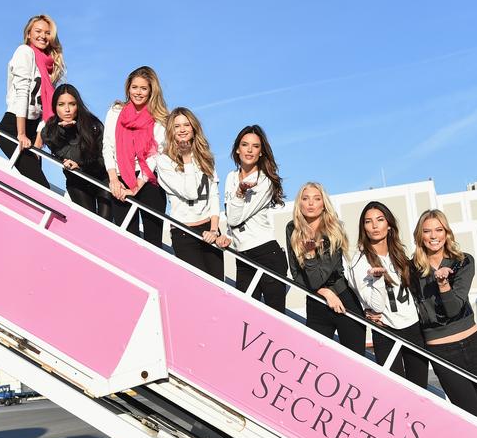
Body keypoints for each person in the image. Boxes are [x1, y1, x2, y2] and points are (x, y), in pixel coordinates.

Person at [412, 209, 477, 421]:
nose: (434, 236)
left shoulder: (463, 261)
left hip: (474, 346)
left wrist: (443, 284)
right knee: (475, 419)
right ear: (420, 236)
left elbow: (454, 308)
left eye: (439, 230)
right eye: (427, 231)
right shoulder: (411, 269)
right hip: (443, 352)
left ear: (447, 233)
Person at [349, 201, 428, 387]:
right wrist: (377, 281)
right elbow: (375, 307)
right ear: (364, 228)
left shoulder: (400, 254)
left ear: (389, 225)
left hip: (414, 328)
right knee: (396, 390)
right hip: (385, 331)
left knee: (419, 389)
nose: (375, 225)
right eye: (368, 221)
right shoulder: (360, 261)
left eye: (380, 219)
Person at [286, 182, 366, 355]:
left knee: (354, 361)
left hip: (344, 300)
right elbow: (295, 274)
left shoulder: (334, 230)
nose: (310, 203)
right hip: (317, 302)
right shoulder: (292, 229)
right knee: (317, 360)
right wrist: (325, 293)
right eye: (305, 199)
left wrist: (309, 255)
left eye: (316, 199)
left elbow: (318, 278)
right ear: (299, 203)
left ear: (324, 204)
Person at [219, 125, 287, 313]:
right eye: (245, 144)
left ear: (261, 152)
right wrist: (228, 236)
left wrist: (240, 193)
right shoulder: (230, 177)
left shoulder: (264, 180)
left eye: (255, 146)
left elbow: (234, 218)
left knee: (276, 317)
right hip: (242, 255)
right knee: (246, 315)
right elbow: (231, 217)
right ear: (237, 149)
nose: (249, 150)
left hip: (267, 254)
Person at [156, 108, 226, 279]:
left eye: (186, 124)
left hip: (209, 228)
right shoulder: (164, 161)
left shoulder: (205, 157)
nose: (182, 129)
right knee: (201, 286)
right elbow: (191, 193)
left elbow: (214, 195)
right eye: (177, 126)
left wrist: (214, 229)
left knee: (218, 286)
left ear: (194, 127)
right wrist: (186, 159)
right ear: (170, 131)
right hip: (184, 231)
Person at [103, 66, 168, 247]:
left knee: (153, 242)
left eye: (143, 88)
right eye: (134, 87)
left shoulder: (159, 118)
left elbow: (155, 155)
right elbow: (107, 146)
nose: (138, 92)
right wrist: (114, 180)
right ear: (128, 88)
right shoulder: (115, 112)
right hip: (120, 179)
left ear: (151, 91)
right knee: (127, 240)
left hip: (148, 181)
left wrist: (137, 186)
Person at [0, 14, 65, 188]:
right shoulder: (25, 52)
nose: (43, 35)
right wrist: (21, 133)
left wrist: (37, 142)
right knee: (41, 187)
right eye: (38, 31)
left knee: (37, 187)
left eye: (47, 32)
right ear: (28, 34)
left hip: (34, 130)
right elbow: (23, 93)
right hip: (15, 126)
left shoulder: (50, 67)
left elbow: (46, 109)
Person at [40, 84, 112, 220]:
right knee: (89, 222)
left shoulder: (94, 126)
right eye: (61, 104)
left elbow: (104, 159)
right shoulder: (49, 132)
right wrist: (67, 132)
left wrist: (82, 165)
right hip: (77, 181)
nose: (67, 109)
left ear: (77, 105)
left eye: (72, 104)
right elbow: (66, 155)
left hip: (101, 178)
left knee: (105, 222)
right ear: (55, 107)